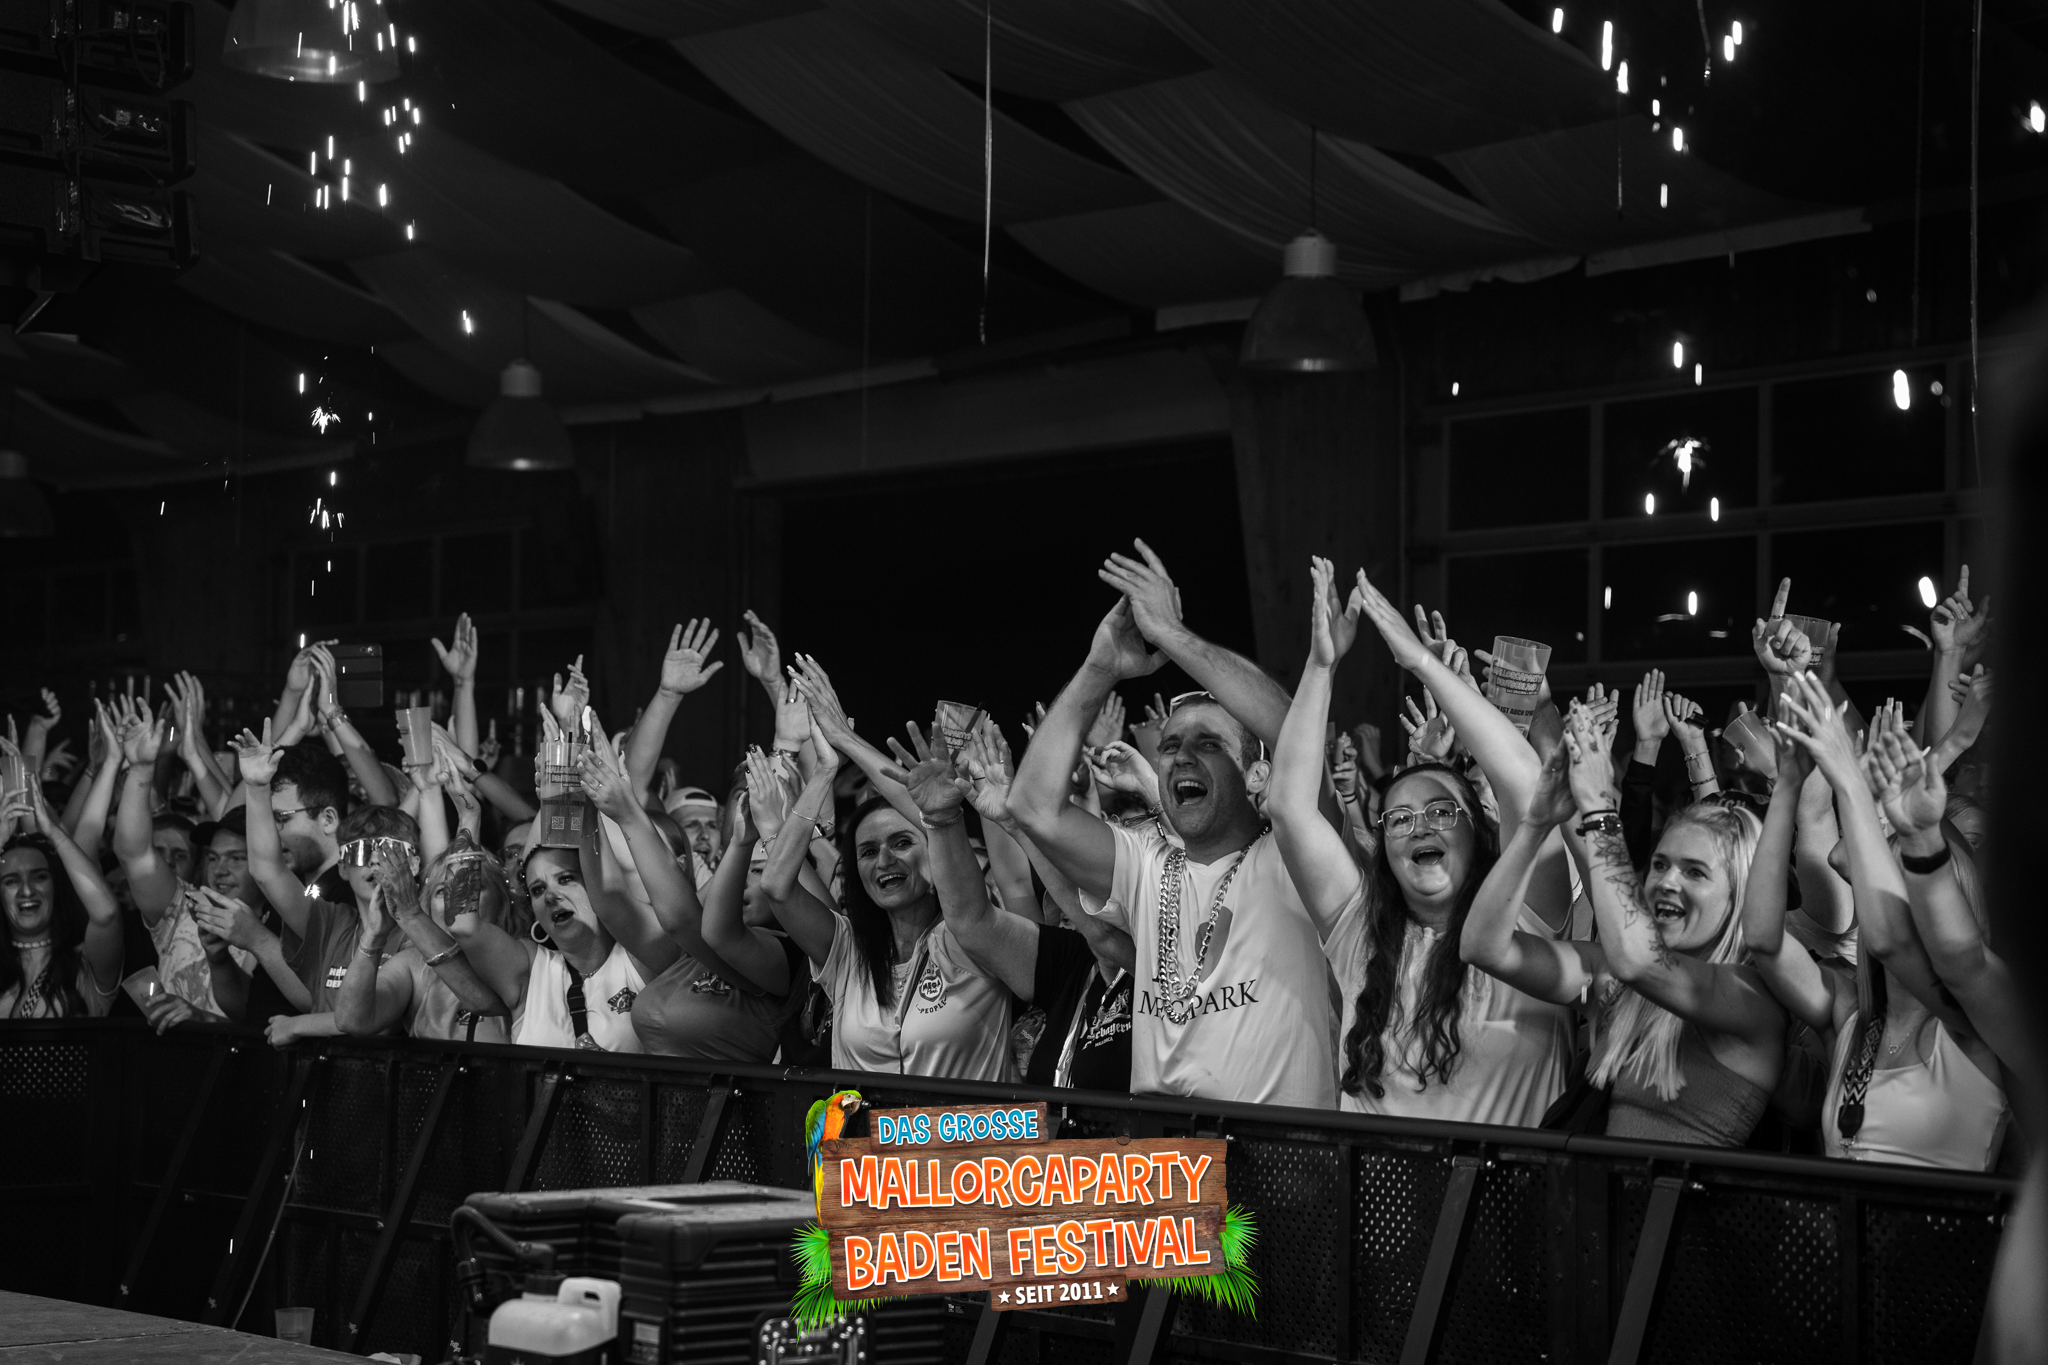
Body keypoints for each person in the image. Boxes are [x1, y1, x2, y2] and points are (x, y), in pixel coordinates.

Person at [1008, 540, 1340, 1108]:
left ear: (1258, 774)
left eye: (1209, 744)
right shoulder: (1144, 864)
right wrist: (1100, 668)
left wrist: (1170, 634)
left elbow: (1295, 729)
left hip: (1276, 1149)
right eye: (1169, 746)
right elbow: (1033, 805)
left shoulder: (1296, 855)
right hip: (1159, 1149)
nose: (1181, 757)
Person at [1274, 558, 1573, 1123]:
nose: (1420, 827)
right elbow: (1289, 809)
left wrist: (1422, 664)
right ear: (1385, 848)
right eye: (1399, 819)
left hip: (1501, 1183)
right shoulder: (1360, 934)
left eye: (1440, 811)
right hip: (1378, 1183)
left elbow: (1525, 783)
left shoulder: (1527, 918)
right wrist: (1320, 667)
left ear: (1479, 830)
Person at [1461, 706, 1785, 1146]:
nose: (1667, 882)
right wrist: (1535, 825)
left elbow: (1638, 961)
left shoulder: (1750, 995)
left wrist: (1599, 809)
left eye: (1694, 872)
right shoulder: (1615, 981)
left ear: (1738, 896)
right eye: (1660, 865)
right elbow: (1482, 946)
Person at [1743, 674, 2010, 1169]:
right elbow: (1763, 939)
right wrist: (1788, 787)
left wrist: (1855, 785)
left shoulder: (1978, 1028)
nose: (1902, 905)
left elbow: (1904, 943)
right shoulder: (1850, 1015)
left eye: (1924, 892)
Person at [744, 699, 1019, 1082]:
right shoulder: (847, 949)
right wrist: (824, 771)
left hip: (958, 1124)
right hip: (858, 1125)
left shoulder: (974, 938)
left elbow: (1001, 875)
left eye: (902, 843)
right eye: (868, 852)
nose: (885, 860)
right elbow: (777, 886)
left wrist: (846, 739)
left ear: (936, 855)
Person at [0, 782, 123, 1018]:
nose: (27, 891)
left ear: (56, 887)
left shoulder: (84, 963)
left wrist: (53, 832)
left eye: (40, 877)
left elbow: (107, 914)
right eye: (11, 881)